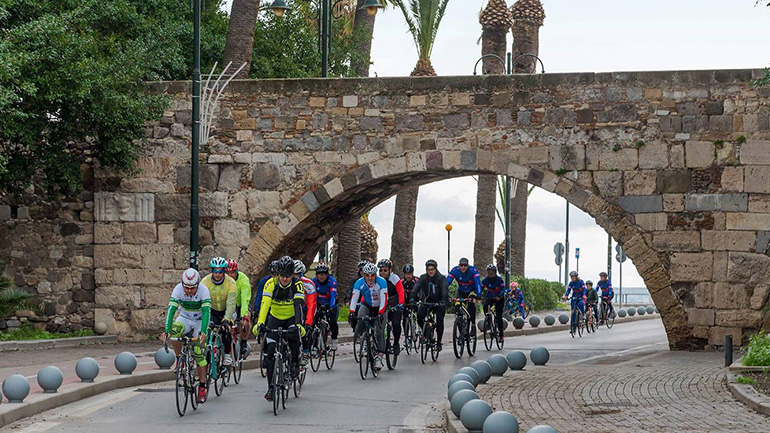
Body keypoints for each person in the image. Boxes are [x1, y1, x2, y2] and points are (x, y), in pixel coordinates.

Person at [253, 256, 306, 401]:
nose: (284, 279)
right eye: (282, 275)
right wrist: (260, 323)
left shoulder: (297, 284)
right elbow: (265, 304)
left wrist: (299, 324)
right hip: (275, 318)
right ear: (277, 274)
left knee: (293, 337)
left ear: (292, 274)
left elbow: (298, 305)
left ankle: (295, 362)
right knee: (270, 350)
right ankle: (271, 388)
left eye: (288, 276)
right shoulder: (270, 283)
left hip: (291, 317)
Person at [163, 268, 211, 403]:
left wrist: (203, 332)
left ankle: (202, 386)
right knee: (174, 333)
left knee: (198, 352)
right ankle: (180, 359)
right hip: (184, 317)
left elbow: (206, 312)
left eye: (192, 288)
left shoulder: (204, 290)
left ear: (198, 285)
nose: (189, 291)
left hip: (199, 320)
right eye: (187, 288)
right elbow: (171, 309)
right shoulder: (178, 289)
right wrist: (167, 329)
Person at [349, 262, 389, 370]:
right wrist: (352, 311)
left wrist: (380, 313)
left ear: (376, 275)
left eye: (372, 275)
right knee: (360, 318)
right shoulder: (359, 283)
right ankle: (362, 338)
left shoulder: (381, 282)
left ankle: (379, 358)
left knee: (380, 332)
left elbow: (384, 299)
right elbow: (354, 298)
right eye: (367, 275)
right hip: (367, 305)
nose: (370, 278)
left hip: (380, 307)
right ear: (364, 275)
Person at [201, 257, 237, 366]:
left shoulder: (231, 282)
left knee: (226, 329)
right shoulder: (205, 282)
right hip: (213, 310)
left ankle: (227, 354)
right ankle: (208, 350)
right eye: (215, 271)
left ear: (224, 271)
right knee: (208, 329)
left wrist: (226, 319)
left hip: (227, 310)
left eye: (220, 271)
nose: (217, 274)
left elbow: (231, 304)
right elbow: (202, 301)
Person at [410, 259, 449, 351]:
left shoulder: (441, 278)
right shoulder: (423, 278)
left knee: (440, 321)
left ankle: (439, 342)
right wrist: (412, 298)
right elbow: (416, 288)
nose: (430, 271)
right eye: (429, 270)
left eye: (432, 269)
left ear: (436, 269)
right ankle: (427, 333)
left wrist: (444, 300)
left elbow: (445, 289)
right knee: (419, 316)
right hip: (427, 302)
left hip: (439, 302)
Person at [446, 257, 481, 334]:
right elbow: (446, 283)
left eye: (465, 265)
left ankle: (473, 325)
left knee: (471, 304)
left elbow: (478, 284)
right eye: (461, 265)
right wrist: (443, 293)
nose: (463, 267)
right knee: (457, 306)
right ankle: (461, 330)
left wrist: (478, 295)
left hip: (472, 291)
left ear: (468, 266)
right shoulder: (455, 270)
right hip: (462, 292)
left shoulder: (473, 270)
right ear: (459, 266)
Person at [225, 259, 251, 357]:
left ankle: (244, 342)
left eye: (232, 272)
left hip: (240, 304)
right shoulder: (223, 280)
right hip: (229, 304)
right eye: (227, 273)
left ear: (236, 272)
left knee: (247, 319)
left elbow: (245, 298)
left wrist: (244, 316)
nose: (230, 275)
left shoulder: (243, 279)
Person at [380, 260, 405, 355]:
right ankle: (385, 343)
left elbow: (401, 291)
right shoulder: (378, 279)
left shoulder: (394, 278)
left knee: (395, 323)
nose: (383, 272)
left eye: (385, 270)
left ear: (390, 270)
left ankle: (396, 343)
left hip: (395, 304)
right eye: (381, 270)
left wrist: (401, 304)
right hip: (384, 305)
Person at [312, 264, 339, 350]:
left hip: (330, 303)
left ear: (327, 274)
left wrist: (331, 307)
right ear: (316, 275)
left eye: (324, 274)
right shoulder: (313, 282)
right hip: (318, 302)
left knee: (332, 321)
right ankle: (314, 345)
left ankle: (334, 340)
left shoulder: (332, 282)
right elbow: (311, 296)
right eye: (319, 274)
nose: (322, 276)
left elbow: (332, 296)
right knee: (313, 322)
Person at [294, 260, 317, 361]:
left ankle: (305, 350)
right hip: (291, 307)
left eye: (297, 274)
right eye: (292, 274)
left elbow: (311, 305)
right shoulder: (286, 282)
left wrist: (308, 323)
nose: (294, 277)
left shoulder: (308, 284)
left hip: (306, 307)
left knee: (305, 328)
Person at [481, 264, 507, 343]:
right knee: (485, 306)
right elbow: (481, 288)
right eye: (489, 271)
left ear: (495, 272)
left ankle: (501, 335)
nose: (490, 273)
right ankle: (488, 322)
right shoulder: (485, 280)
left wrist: (500, 296)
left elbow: (503, 289)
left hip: (499, 298)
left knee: (499, 317)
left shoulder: (499, 280)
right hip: (490, 297)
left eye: (492, 271)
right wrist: (477, 295)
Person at [397, 264, 418, 334]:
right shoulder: (401, 282)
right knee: (405, 318)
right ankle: (406, 335)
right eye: (406, 274)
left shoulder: (416, 280)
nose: (408, 276)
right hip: (405, 303)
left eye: (410, 274)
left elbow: (421, 292)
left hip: (416, 301)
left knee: (420, 316)